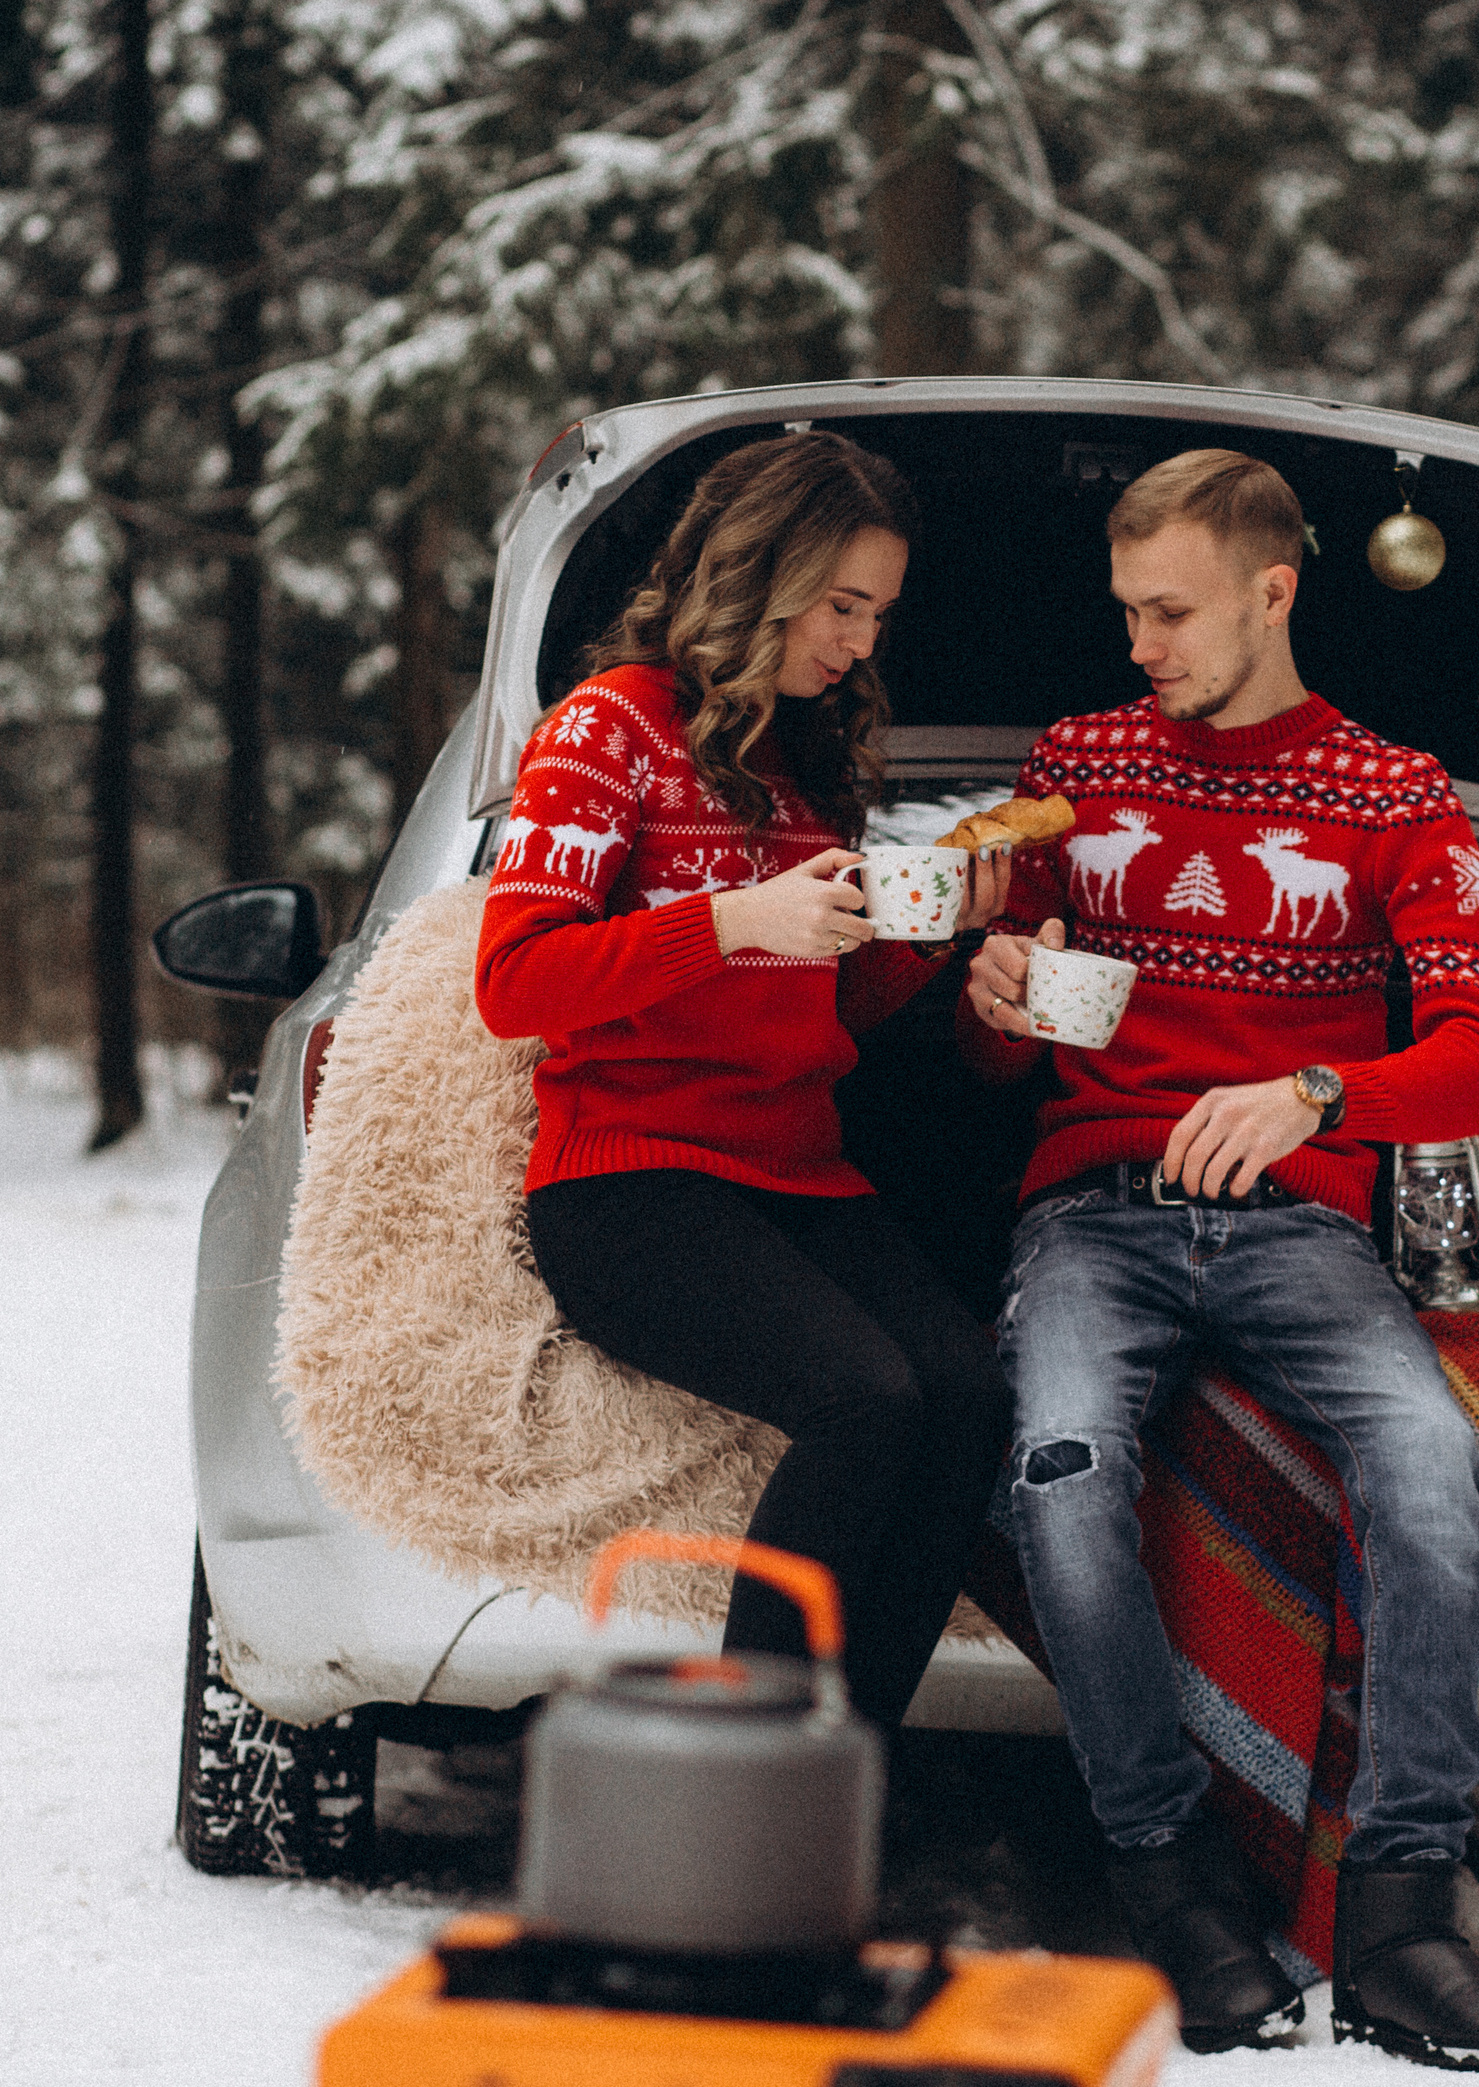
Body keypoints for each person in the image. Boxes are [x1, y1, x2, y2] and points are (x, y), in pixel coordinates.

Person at [961, 449, 1479, 2069]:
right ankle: (1172, 1882)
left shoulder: (1394, 797)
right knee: (1063, 1464)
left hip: (1304, 1230)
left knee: (1430, 1465)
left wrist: (1315, 1094)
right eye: (1127, 610)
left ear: (1274, 593)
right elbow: (997, 1054)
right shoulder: (1074, 766)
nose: (1142, 643)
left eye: (1173, 610)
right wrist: (997, 999)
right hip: (1095, 1212)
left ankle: (1404, 1913)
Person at [474, 429, 1015, 1731]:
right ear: (759, 573)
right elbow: (515, 982)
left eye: (879, 613)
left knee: (972, 1393)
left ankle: (840, 1772)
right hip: (632, 1182)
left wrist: (931, 933)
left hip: (793, 1172)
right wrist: (729, 920)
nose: (863, 641)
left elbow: (820, 1002)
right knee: (863, 1399)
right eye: (843, 607)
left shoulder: (798, 761)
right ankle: (745, 1770)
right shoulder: (608, 728)